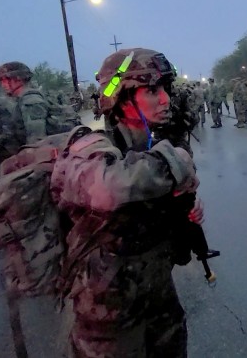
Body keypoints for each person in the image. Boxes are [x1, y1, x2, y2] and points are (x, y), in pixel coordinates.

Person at [54, 48, 202, 357]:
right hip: (108, 307)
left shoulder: (157, 142)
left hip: (157, 289)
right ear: (120, 96)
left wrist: (185, 211)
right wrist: (176, 164)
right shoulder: (90, 144)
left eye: (165, 89)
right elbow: (109, 188)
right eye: (151, 90)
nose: (164, 99)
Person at [0, 61, 49, 145]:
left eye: (5, 80)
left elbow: (37, 139)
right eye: (1, 81)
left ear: (18, 79)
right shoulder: (20, 99)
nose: (3, 85)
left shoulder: (31, 99)